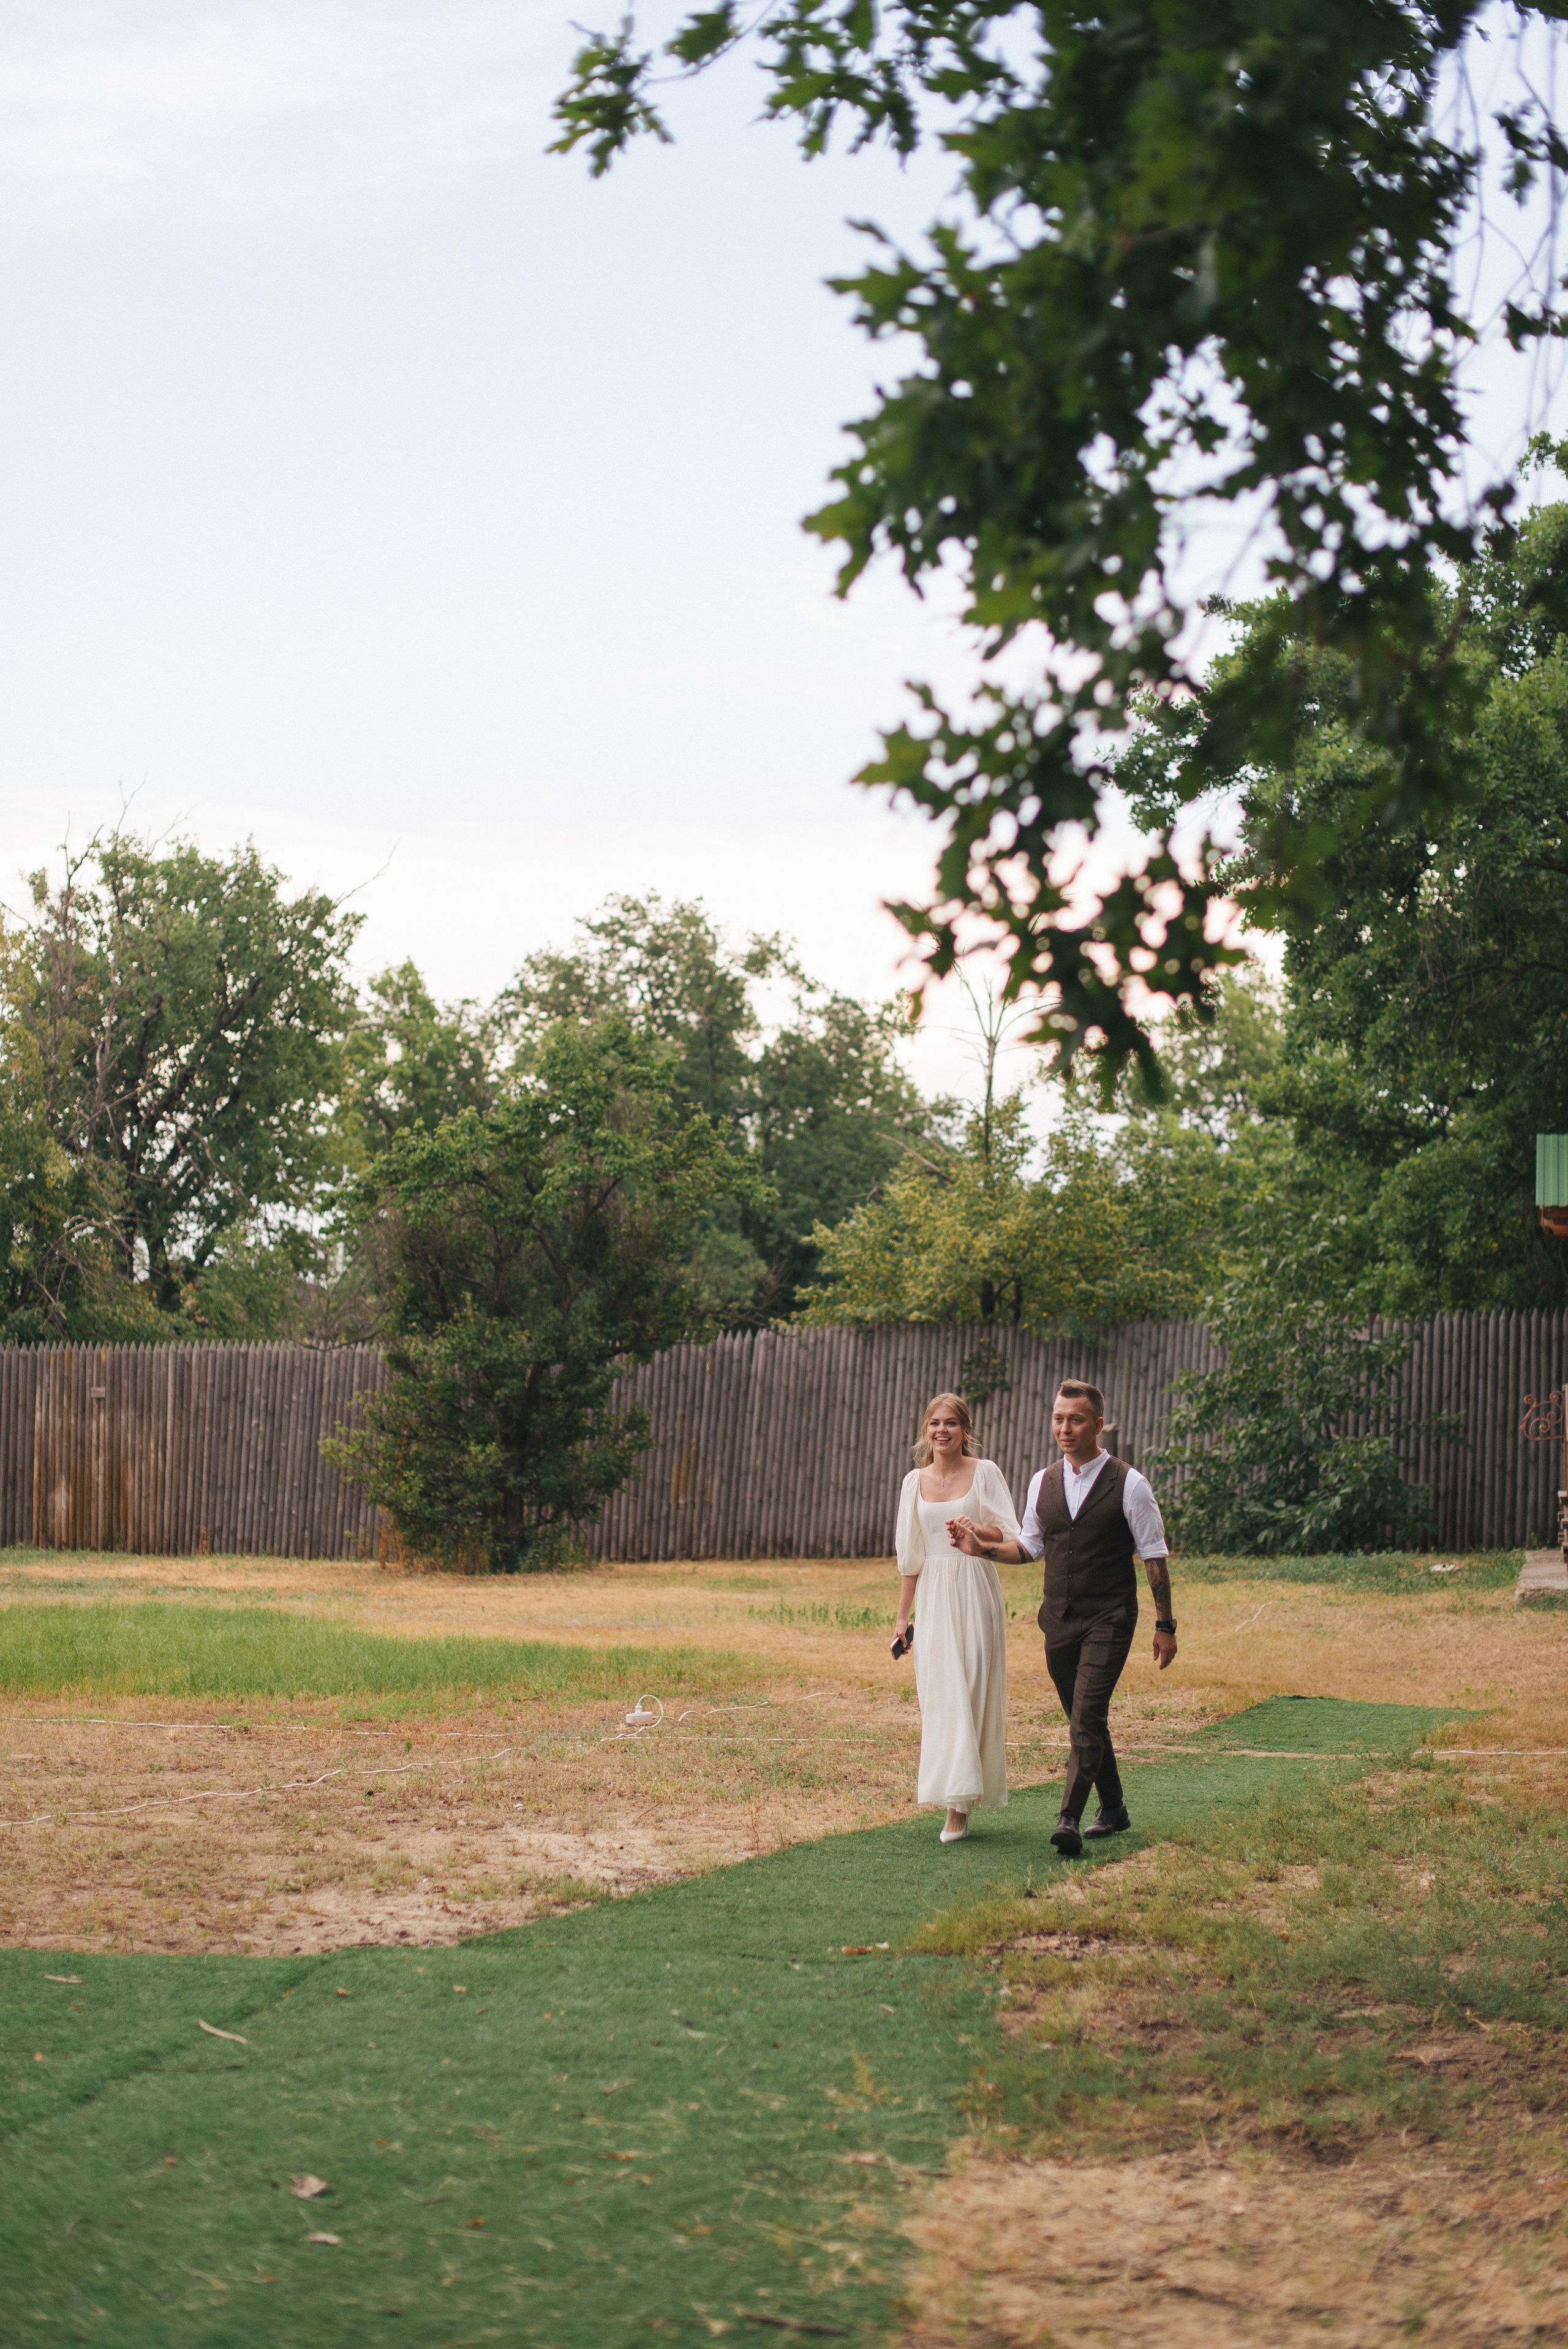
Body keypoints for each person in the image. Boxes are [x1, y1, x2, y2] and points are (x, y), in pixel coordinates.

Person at [952, 1379, 1175, 1858]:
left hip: (1111, 1618)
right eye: (1058, 1418)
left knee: (1088, 1714)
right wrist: (983, 1549)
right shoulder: (1042, 1481)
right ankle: (1113, 1808)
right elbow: (1029, 1547)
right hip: (1057, 1621)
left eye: (1075, 1419)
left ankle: (1069, 1818)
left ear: (1097, 1424)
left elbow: (1154, 1557)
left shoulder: (1129, 1484)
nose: (1064, 1428)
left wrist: (1165, 1626)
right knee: (1083, 1718)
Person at [891, 1392, 1022, 1845]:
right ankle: (953, 1793)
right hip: (933, 1597)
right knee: (942, 1696)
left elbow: (1009, 1532)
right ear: (926, 1431)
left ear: (966, 1430)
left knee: (970, 1689)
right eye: (934, 1423)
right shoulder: (914, 1482)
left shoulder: (985, 1473)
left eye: (951, 1423)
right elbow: (911, 1557)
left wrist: (973, 1530)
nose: (942, 1431)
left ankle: (958, 1809)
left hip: (975, 1586)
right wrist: (901, 1620)